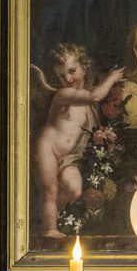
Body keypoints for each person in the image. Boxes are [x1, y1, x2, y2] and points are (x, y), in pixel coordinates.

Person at [29, 42, 124, 241]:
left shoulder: (86, 101)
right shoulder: (64, 94)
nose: (67, 79)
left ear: (84, 68)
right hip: (48, 148)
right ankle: (49, 229)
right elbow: (95, 95)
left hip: (69, 157)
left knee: (74, 189)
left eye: (72, 71)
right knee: (50, 190)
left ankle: (53, 216)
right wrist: (112, 78)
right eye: (61, 76)